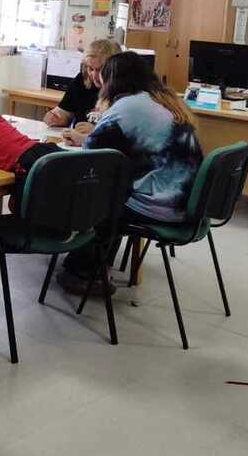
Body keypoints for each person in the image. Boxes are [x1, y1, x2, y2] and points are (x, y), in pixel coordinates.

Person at [56, 51, 203, 295]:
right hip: (183, 200)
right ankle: (96, 266)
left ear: (113, 80)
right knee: (112, 187)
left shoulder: (127, 105)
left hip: (160, 203)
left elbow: (94, 152)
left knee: (96, 192)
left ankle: (84, 272)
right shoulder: (161, 99)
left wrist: (81, 138)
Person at [43, 39, 122, 128]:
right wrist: (56, 117)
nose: (94, 75)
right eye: (91, 69)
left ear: (115, 68)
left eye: (100, 69)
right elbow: (65, 111)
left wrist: (95, 132)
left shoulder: (124, 91)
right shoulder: (82, 80)